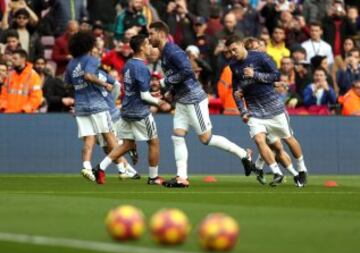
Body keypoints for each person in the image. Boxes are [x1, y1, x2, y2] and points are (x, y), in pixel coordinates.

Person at [148, 21, 255, 188]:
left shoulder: (172, 50)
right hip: (182, 100)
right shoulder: (165, 52)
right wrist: (167, 92)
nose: (149, 38)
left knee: (206, 138)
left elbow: (187, 71)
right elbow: (178, 77)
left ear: (161, 34)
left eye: (151, 34)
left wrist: (163, 82)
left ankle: (243, 154)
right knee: (177, 135)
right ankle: (181, 178)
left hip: (193, 99)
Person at [225, 35, 307, 187]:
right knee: (258, 140)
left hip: (274, 108)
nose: (233, 53)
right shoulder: (233, 65)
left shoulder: (261, 57)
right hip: (254, 111)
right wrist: (243, 110)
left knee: (288, 139)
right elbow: (236, 90)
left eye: (234, 49)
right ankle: (277, 172)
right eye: (230, 51)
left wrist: (255, 75)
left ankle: (301, 169)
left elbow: (276, 76)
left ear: (242, 44)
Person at [94, 35, 165, 186]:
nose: (150, 47)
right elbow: (144, 96)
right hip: (139, 112)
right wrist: (159, 102)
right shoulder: (142, 67)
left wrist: (152, 95)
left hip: (126, 110)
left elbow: (135, 91)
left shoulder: (128, 64)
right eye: (147, 44)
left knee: (126, 144)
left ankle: (100, 167)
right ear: (141, 48)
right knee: (154, 142)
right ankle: (153, 178)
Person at [64, 31, 123, 184]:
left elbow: (68, 82)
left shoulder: (71, 64)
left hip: (81, 106)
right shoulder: (92, 59)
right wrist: (104, 84)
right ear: (89, 44)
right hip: (96, 103)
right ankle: (123, 169)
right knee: (109, 136)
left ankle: (86, 166)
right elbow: (88, 76)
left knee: (89, 140)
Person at [0, 49, 42, 113]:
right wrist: (3, 108)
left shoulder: (33, 76)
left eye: (15, 58)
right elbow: (3, 95)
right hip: (8, 114)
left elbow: (36, 98)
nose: (12, 61)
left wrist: (25, 110)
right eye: (12, 58)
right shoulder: (10, 75)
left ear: (23, 59)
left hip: (24, 116)